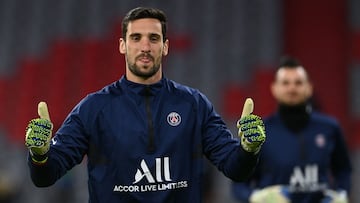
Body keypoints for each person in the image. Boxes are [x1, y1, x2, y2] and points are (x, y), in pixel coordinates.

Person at [25, 7, 266, 203]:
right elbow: (45, 176)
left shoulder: (193, 104)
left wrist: (248, 150)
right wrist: (39, 155)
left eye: (154, 38)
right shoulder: (93, 108)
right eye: (135, 37)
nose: (145, 46)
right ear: (122, 45)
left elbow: (236, 169)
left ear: (166, 46)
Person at [231, 56, 352, 203]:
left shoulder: (330, 128)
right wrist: (253, 197)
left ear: (309, 88)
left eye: (298, 82)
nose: (292, 88)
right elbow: (238, 180)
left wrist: (341, 194)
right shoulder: (260, 131)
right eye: (285, 83)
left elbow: (344, 170)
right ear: (274, 88)